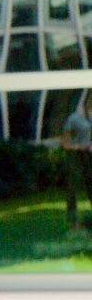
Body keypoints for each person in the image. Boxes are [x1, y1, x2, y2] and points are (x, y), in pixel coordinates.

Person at [62, 93, 92, 229]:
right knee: (72, 188)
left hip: (88, 156)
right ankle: (73, 222)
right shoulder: (75, 118)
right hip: (74, 157)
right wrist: (78, 146)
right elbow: (64, 143)